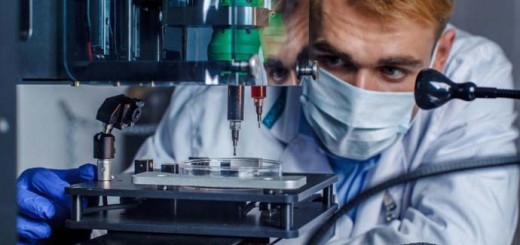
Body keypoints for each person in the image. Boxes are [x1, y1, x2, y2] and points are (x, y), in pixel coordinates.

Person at [17, 0, 519, 244]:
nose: (361, 95)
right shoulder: (229, 83)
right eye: (334, 60)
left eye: (394, 69)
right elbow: (144, 226)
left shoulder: (475, 78)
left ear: (441, 53)